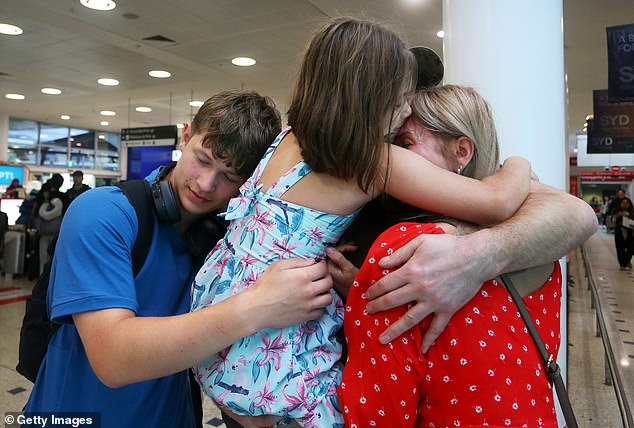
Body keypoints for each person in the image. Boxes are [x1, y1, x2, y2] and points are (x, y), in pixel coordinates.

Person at [190, 18, 532, 427]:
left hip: (217, 328)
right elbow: (497, 202)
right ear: (369, 99)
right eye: (401, 98)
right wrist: (519, 161)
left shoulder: (286, 138)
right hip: (271, 359)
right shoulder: (372, 162)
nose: (408, 110)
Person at [23, 90, 338, 428]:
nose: (206, 184)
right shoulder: (103, 213)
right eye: (202, 159)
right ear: (186, 135)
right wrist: (257, 306)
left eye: (229, 177)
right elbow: (113, 358)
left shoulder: (229, 240)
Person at [333, 85, 568, 427]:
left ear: (461, 151)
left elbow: (376, 415)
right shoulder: (541, 246)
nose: (389, 160)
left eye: (405, 145)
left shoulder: (406, 248)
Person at [32, 173, 68, 275]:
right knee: (54, 256)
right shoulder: (63, 197)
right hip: (56, 230)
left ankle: (41, 275)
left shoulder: (43, 195)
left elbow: (38, 211)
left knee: (43, 255)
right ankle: (51, 277)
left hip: (43, 230)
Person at [614, 198, 634, 270]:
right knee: (620, 249)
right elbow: (613, 221)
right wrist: (619, 216)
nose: (624, 205)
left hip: (630, 233)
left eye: (626, 203)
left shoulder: (632, 213)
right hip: (619, 233)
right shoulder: (617, 212)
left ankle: (627, 260)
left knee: (631, 249)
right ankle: (622, 264)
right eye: (623, 203)